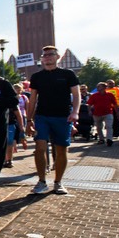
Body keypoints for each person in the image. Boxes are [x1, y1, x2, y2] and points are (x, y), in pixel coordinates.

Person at [25, 45, 80, 195]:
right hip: (42, 116)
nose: (47, 57)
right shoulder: (37, 77)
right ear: (42, 59)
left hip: (63, 116)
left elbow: (76, 95)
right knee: (40, 148)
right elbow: (33, 99)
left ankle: (58, 182)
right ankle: (42, 181)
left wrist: (75, 112)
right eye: (44, 55)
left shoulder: (68, 74)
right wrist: (29, 120)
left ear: (57, 57)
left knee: (61, 150)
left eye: (50, 55)